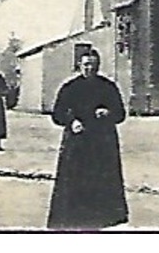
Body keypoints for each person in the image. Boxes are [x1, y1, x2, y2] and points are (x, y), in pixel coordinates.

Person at [47, 50, 128, 230]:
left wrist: (108, 113)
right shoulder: (70, 87)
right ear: (79, 65)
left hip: (102, 143)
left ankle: (103, 219)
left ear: (98, 66)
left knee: (101, 181)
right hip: (77, 142)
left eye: (93, 65)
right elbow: (57, 114)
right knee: (74, 181)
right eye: (85, 65)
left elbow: (121, 114)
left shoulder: (108, 87)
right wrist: (71, 121)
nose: (89, 69)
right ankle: (73, 219)